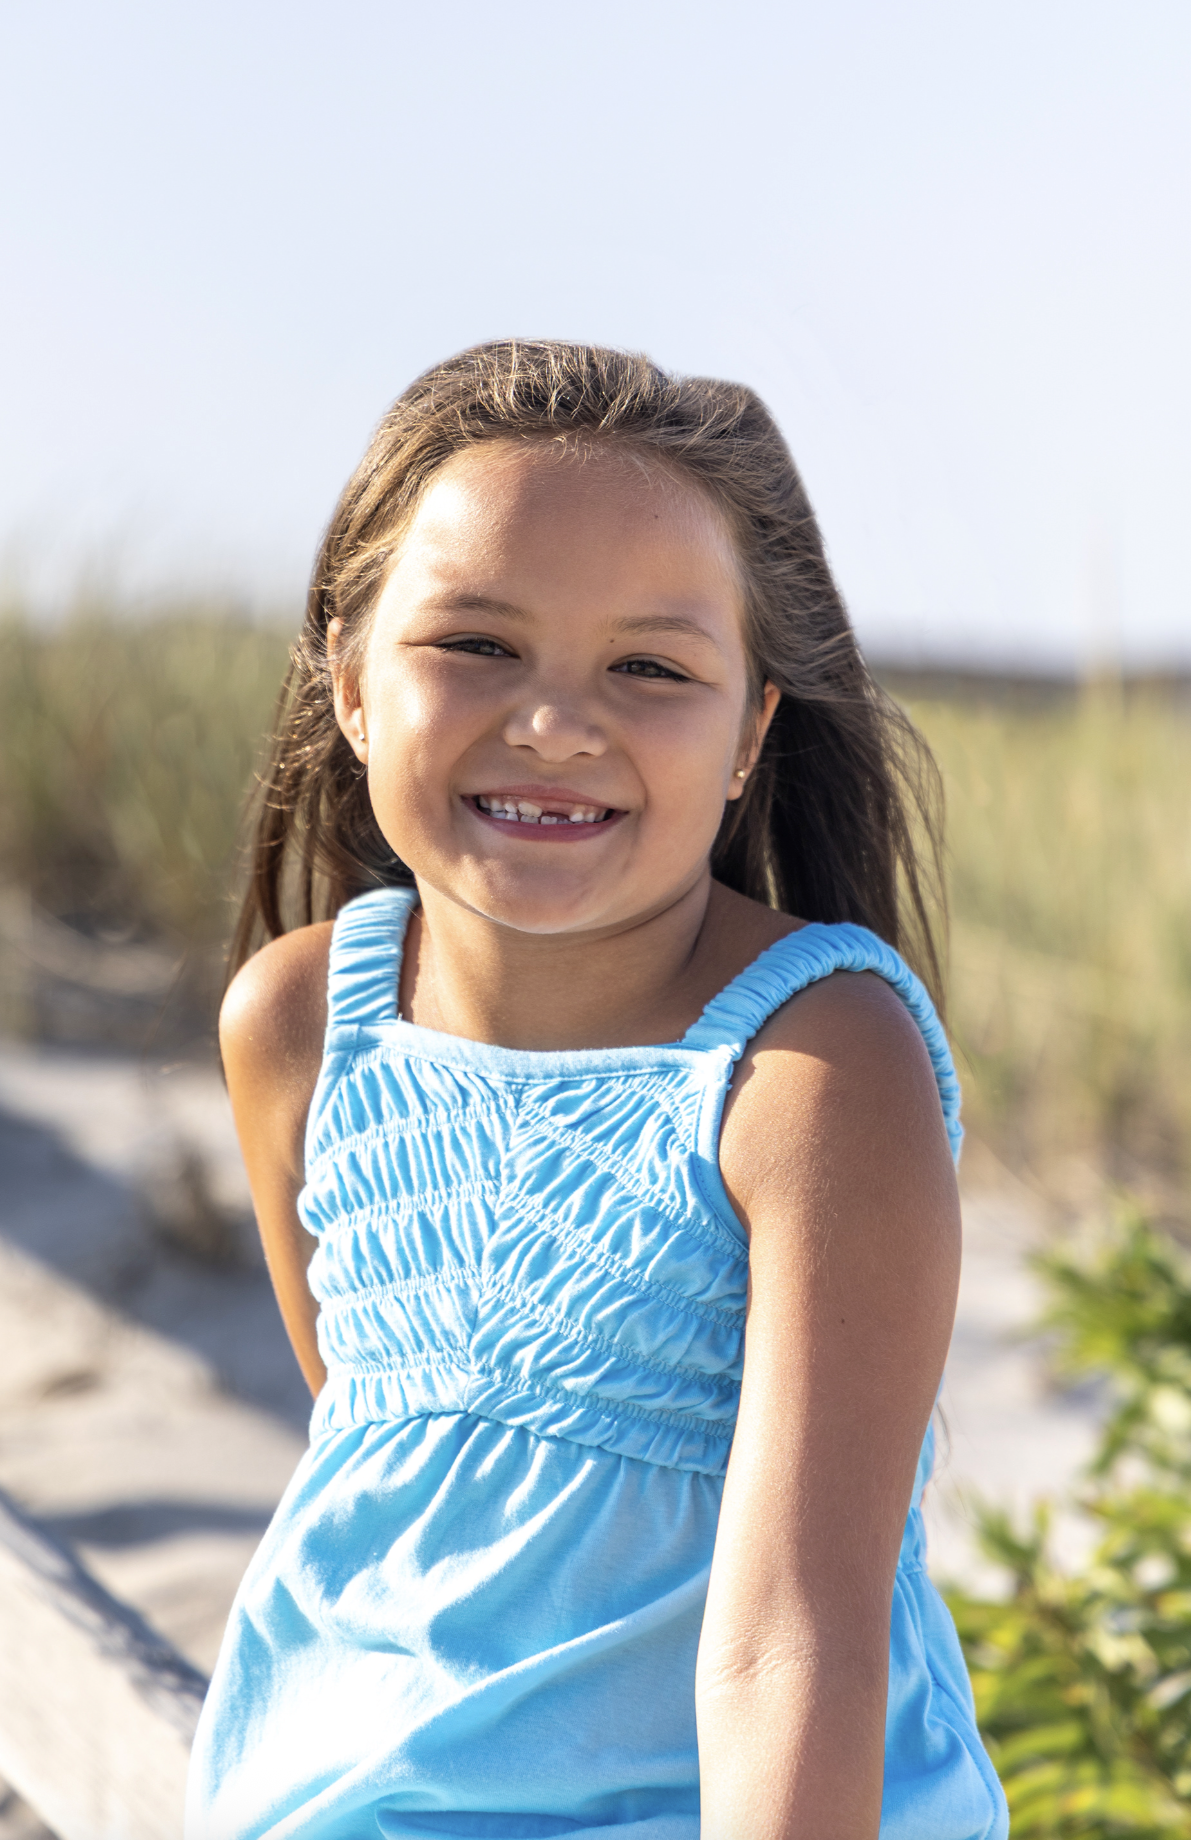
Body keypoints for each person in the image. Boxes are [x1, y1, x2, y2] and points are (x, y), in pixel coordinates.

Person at [186, 340, 1008, 1839]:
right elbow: (385, 1492)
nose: (556, 722)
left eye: (650, 667)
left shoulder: (812, 1067)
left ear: (753, 728)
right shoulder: (300, 1020)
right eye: (475, 645)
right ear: (349, 679)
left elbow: (787, 1646)